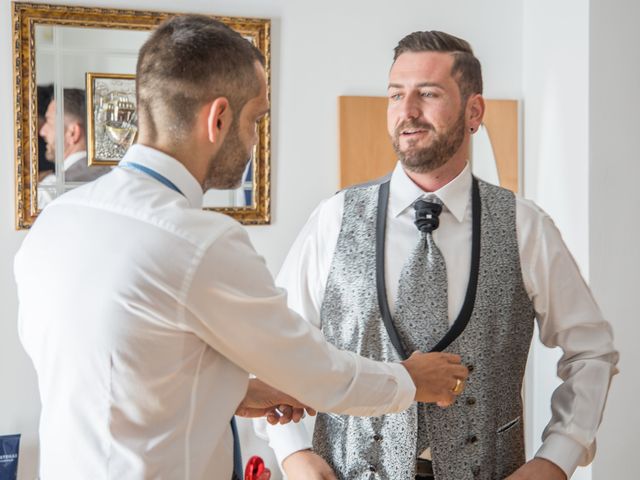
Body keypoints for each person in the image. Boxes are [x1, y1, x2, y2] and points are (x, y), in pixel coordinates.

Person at [14, 17, 469, 480]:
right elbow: (319, 373)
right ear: (218, 120)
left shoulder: (57, 220)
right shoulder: (198, 242)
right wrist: (412, 381)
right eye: (255, 119)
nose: (254, 138)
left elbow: (111, 373)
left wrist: (230, 391)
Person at [257, 31, 619, 480]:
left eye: (427, 94)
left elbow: (592, 351)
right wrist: (294, 453)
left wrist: (557, 459)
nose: (407, 112)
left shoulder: (525, 226)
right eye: (396, 95)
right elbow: (273, 344)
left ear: (474, 111)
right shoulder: (334, 219)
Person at [37, 88, 111, 208]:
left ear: (73, 133)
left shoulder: (50, 191)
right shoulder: (115, 176)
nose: (42, 132)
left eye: (49, 121)